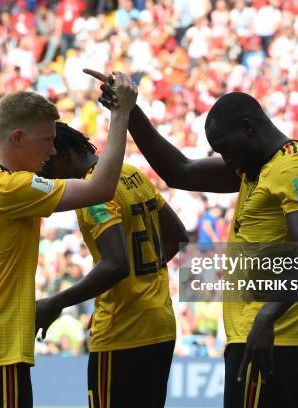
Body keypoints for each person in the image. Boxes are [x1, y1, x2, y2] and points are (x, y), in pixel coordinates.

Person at [86, 69, 298, 407]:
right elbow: (179, 171)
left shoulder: (293, 170)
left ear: (249, 128)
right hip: (270, 338)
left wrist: (267, 316)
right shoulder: (256, 167)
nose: (226, 160)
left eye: (226, 150)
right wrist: (128, 111)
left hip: (274, 339)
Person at [0, 73, 138, 408]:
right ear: (19, 137)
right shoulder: (13, 187)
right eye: (47, 140)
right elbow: (100, 188)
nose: (53, 151)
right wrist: (121, 113)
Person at [36, 122, 189, 407]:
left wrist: (54, 303)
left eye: (50, 169)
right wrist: (133, 285)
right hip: (159, 324)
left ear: (66, 155)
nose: (52, 179)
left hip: (122, 333)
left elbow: (115, 264)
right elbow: (178, 237)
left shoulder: (92, 191)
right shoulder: (131, 174)